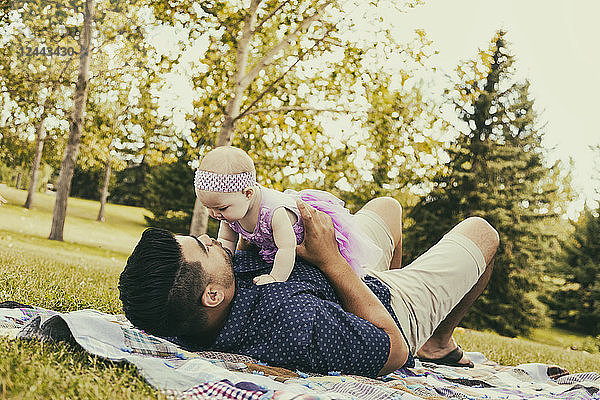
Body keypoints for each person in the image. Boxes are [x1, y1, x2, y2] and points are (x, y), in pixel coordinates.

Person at [119, 197, 499, 377]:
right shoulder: (295, 323)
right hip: (386, 309)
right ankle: (434, 341)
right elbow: (395, 352)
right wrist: (332, 260)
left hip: (337, 274)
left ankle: (382, 284)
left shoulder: (203, 304)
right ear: (212, 295)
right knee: (482, 233)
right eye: (205, 247)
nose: (212, 239)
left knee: (387, 207)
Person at [193, 146, 383, 285]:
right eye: (208, 207)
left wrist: (276, 277)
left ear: (248, 193)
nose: (214, 214)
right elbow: (226, 239)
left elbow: (286, 248)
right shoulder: (230, 212)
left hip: (302, 244)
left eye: (221, 208)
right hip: (277, 246)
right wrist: (226, 262)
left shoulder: (274, 211)